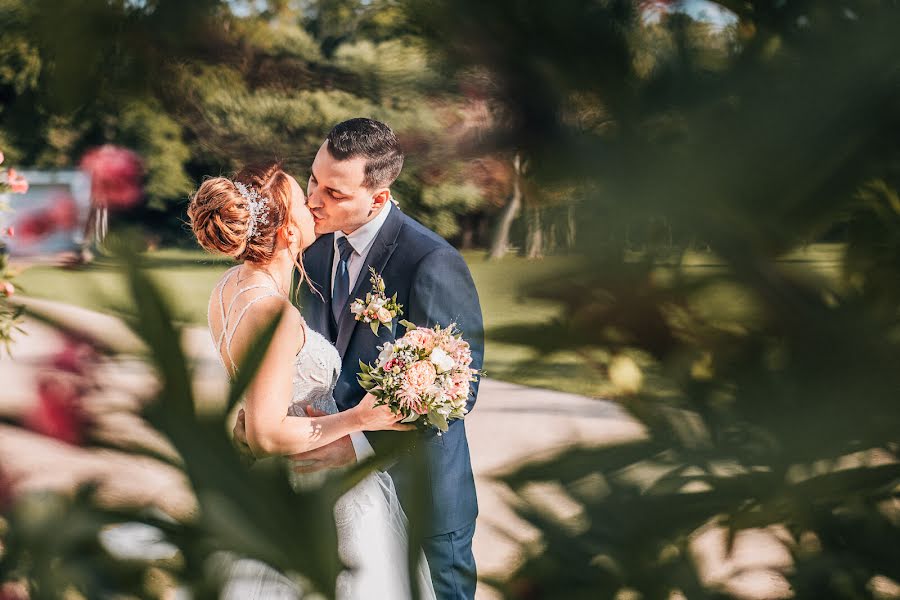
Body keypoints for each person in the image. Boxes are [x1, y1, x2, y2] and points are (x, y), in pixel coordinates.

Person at [236, 118, 485, 599]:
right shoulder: (312, 249)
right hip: (335, 504)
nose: (312, 200)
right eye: (312, 179)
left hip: (422, 502)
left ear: (378, 197)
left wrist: (355, 442)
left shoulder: (430, 261)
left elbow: (457, 393)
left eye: (334, 192)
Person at [188, 161, 436, 599]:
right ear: (286, 232)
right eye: (303, 200)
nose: (313, 203)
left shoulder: (229, 288)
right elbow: (266, 434)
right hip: (312, 485)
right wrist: (357, 419)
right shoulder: (272, 313)